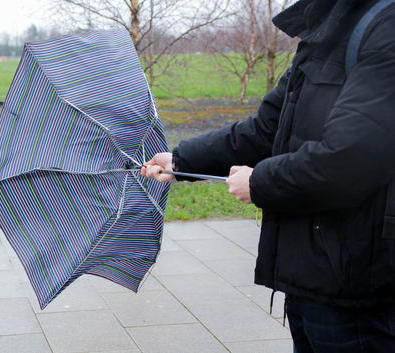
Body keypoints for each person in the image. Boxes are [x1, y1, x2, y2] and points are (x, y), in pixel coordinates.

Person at [141, 0, 395, 352]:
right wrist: (181, 160)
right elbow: (266, 128)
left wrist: (259, 182)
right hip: (311, 277)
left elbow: (350, 157)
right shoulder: (328, 26)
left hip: (357, 288)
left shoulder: (385, 26)